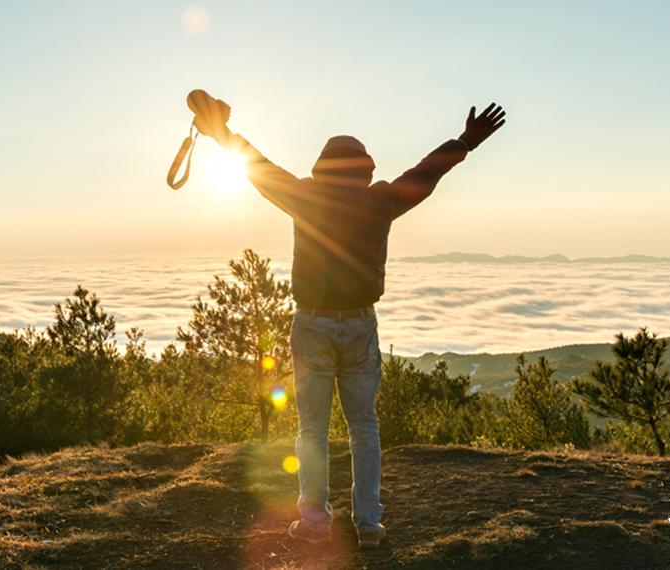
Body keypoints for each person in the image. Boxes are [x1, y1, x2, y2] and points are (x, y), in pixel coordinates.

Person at [195, 98, 505, 549]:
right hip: (360, 325)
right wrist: (465, 141)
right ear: (365, 169)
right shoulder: (379, 201)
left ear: (321, 170)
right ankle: (369, 524)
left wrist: (220, 132)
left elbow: (257, 166)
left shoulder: (304, 196)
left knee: (312, 429)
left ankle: (316, 524)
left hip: (312, 324)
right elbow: (425, 173)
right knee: (365, 427)